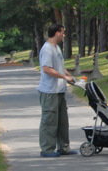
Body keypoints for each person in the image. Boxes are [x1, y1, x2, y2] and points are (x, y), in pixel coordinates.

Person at [37, 23, 76, 157]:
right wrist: (64, 76)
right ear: (57, 33)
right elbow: (47, 69)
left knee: (62, 121)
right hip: (49, 92)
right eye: (63, 33)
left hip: (59, 90)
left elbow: (59, 66)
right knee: (49, 121)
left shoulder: (57, 48)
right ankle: (47, 149)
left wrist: (68, 76)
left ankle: (64, 148)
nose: (64, 35)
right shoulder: (47, 49)